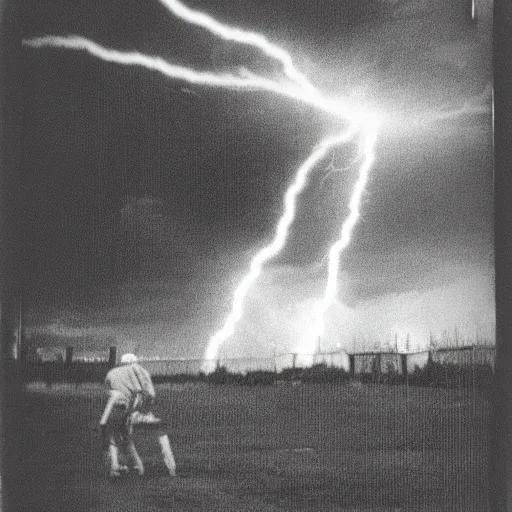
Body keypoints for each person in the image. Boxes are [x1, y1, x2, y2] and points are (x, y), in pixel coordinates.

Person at [99, 353, 156, 478]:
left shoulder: (112, 373)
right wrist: (145, 409)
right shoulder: (139, 370)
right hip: (128, 410)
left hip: (114, 409)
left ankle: (115, 467)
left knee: (113, 438)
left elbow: (106, 390)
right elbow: (150, 393)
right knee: (127, 439)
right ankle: (139, 467)